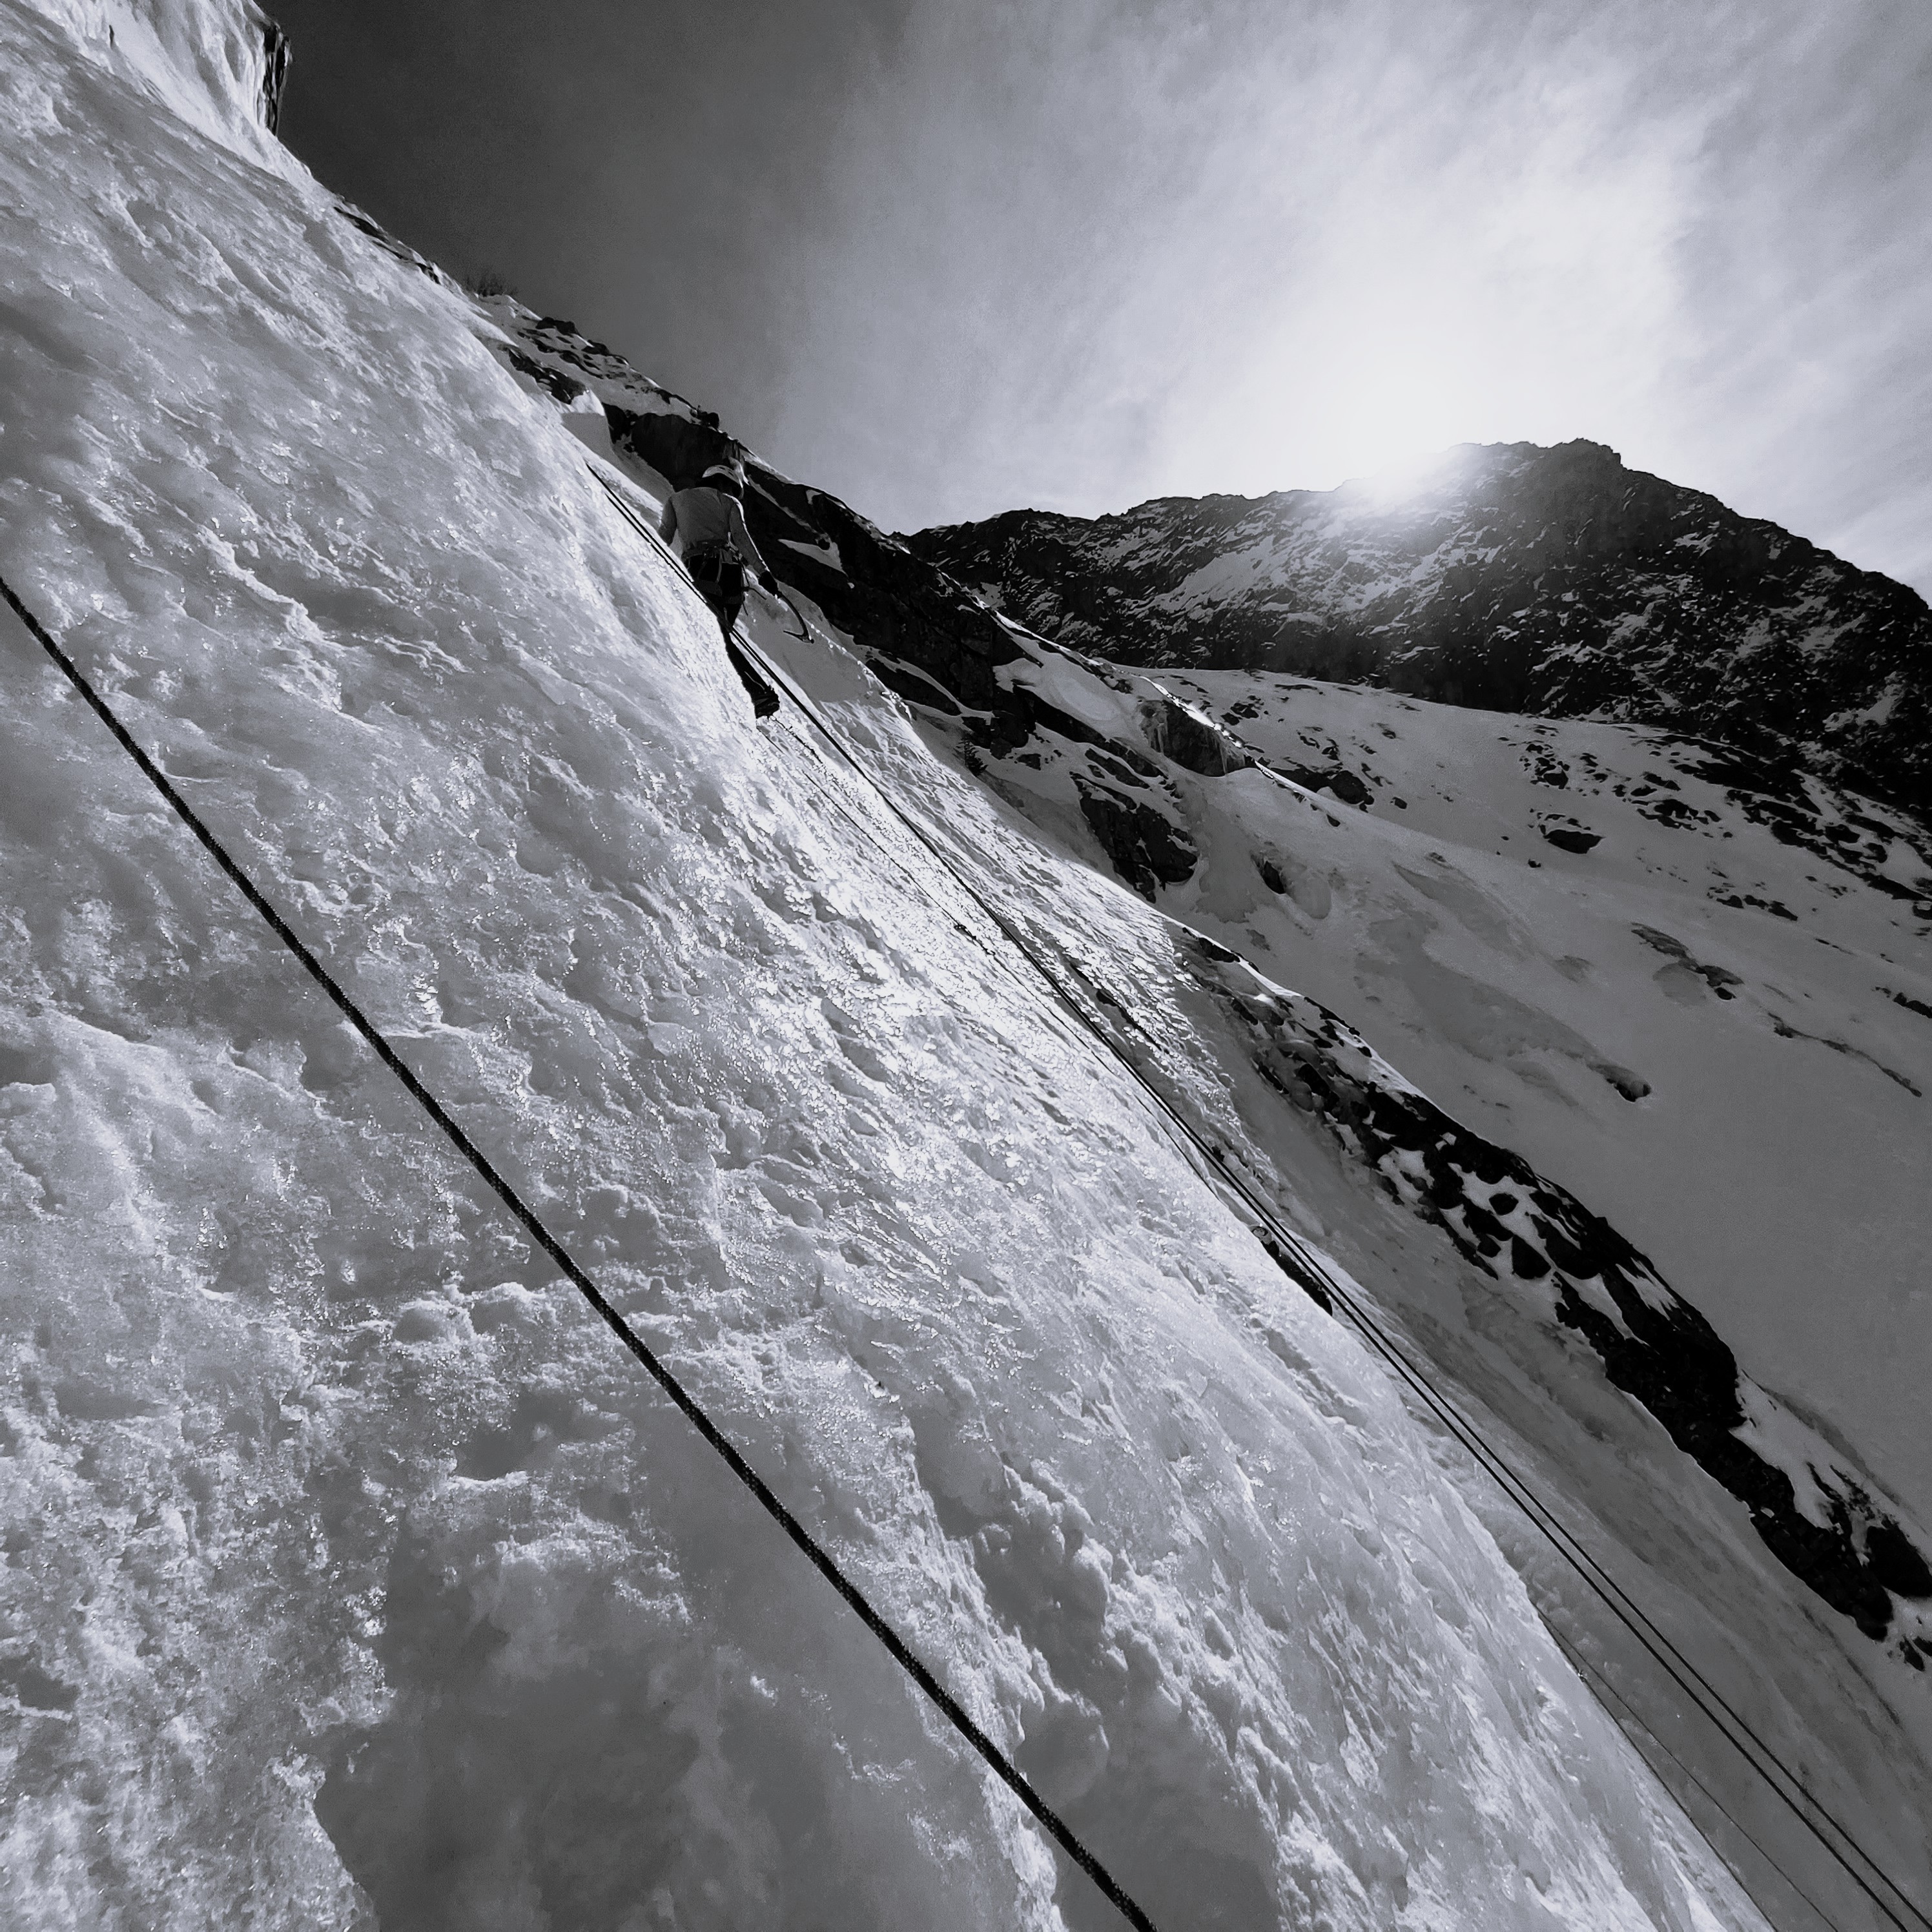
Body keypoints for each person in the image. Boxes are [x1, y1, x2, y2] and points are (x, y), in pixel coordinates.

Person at [659, 458, 782, 719]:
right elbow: (741, 537)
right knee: (720, 633)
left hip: (702, 568)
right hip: (730, 574)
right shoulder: (730, 503)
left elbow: (665, 536)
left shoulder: (676, 500)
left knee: (714, 634)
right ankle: (753, 691)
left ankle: (755, 691)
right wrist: (763, 572)